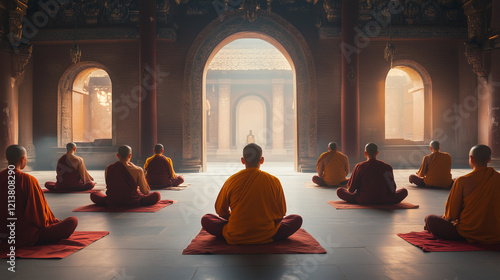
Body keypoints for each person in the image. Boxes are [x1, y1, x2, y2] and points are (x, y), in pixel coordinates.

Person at [201, 143, 302, 245]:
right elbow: (281, 214)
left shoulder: (231, 180)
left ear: (242, 160)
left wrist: (237, 220)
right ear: (262, 160)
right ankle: (264, 236)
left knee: (206, 219)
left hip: (236, 233)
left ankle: (237, 229)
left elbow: (220, 211)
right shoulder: (274, 180)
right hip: (268, 233)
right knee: (296, 219)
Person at [0, 145, 78, 249]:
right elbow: (39, 217)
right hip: (24, 235)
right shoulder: (28, 180)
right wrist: (52, 221)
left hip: (2, 233)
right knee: (72, 221)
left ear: (6, 158)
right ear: (23, 159)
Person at [424, 145, 500, 244]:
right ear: (489, 160)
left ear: (471, 158)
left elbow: (451, 215)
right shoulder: (497, 178)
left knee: (430, 219)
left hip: (467, 232)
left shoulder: (462, 181)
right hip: (495, 232)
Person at [336, 143, 408, 204]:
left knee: (340, 191)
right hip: (384, 200)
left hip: (363, 199)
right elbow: (392, 190)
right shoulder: (387, 167)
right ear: (377, 153)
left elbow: (351, 189)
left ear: (365, 153)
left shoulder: (360, 166)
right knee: (404, 191)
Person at [90, 145, 161, 208]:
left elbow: (109, 186)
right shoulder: (137, 170)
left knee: (94, 194)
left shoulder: (108, 168)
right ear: (130, 156)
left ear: (117, 155)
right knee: (156, 195)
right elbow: (145, 192)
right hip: (132, 201)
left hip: (113, 201)